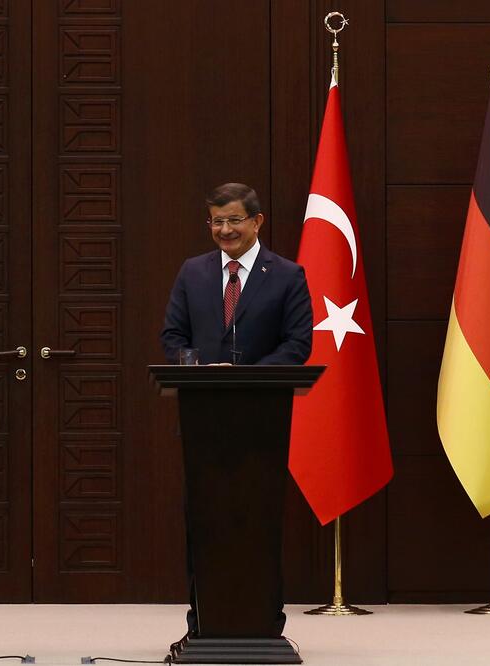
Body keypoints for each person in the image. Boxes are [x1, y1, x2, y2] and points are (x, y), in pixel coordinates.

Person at [159, 182, 312, 655]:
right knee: (202, 523)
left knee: (257, 521)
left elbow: (297, 345)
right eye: (215, 222)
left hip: (261, 422)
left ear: (257, 221)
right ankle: (201, 624)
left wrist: (244, 374)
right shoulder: (193, 272)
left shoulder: (287, 275)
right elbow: (173, 335)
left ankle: (265, 625)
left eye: (233, 220)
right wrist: (201, 371)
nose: (223, 230)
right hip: (204, 420)